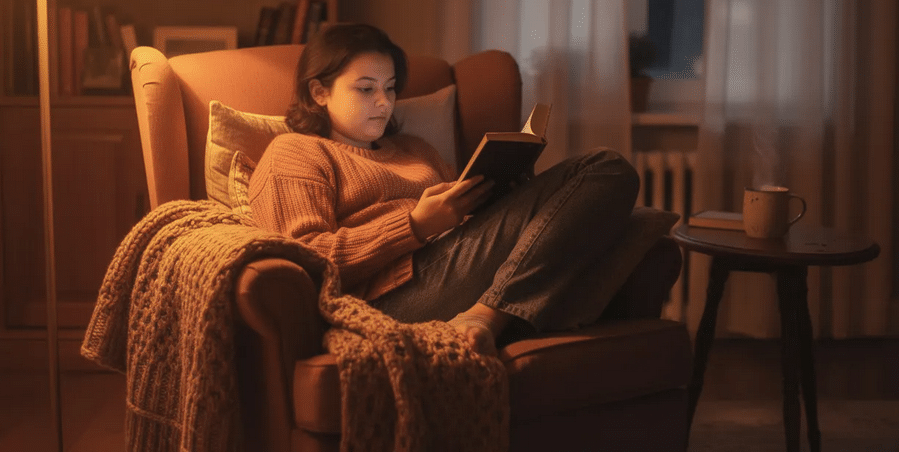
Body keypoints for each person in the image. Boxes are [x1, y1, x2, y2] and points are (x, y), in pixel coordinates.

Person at [248, 23, 657, 356]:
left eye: (390, 87)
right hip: (389, 296)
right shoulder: (295, 152)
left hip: (455, 262)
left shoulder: (415, 149)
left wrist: (505, 193)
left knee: (624, 203)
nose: (384, 102)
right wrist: (414, 226)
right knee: (602, 167)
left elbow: (467, 223)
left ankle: (503, 312)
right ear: (319, 92)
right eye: (366, 88)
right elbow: (308, 262)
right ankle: (491, 315)